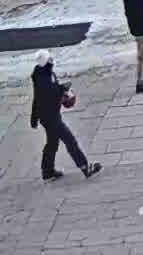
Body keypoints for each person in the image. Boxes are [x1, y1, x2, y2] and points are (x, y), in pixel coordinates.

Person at [29, 52, 101, 182]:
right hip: (50, 117)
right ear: (46, 63)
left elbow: (38, 97)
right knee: (70, 140)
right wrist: (62, 88)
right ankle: (85, 167)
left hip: (48, 115)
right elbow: (49, 94)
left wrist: (34, 118)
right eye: (49, 59)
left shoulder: (44, 74)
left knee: (52, 143)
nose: (52, 60)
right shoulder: (43, 78)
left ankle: (47, 172)